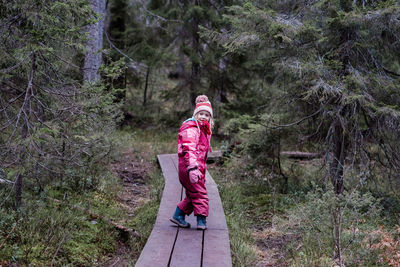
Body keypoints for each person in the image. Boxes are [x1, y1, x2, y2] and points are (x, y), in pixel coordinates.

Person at [170, 95, 213, 230]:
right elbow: (189, 148)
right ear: (195, 114)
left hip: (194, 168)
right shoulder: (192, 128)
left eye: (207, 115)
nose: (203, 117)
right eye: (200, 113)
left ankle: (178, 216)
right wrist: (192, 168)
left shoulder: (204, 129)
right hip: (189, 168)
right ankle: (201, 221)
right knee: (200, 194)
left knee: (192, 194)